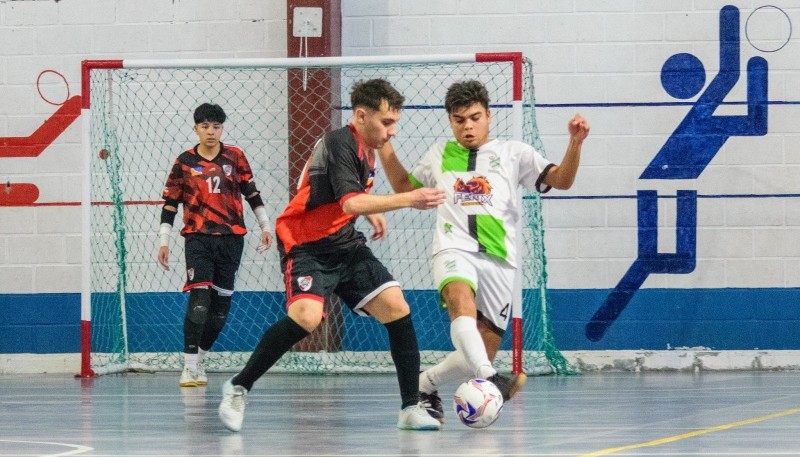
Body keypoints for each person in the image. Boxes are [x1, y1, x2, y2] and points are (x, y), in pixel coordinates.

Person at [217, 79, 447, 432]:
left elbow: (347, 195)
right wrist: (408, 199)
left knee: (397, 306)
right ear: (360, 115)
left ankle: (410, 407)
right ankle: (239, 386)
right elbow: (350, 200)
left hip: (345, 244)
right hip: (306, 244)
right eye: (387, 122)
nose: (393, 131)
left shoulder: (370, 146)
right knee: (307, 318)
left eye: (395, 123)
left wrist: (370, 211)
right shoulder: (340, 142)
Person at [377, 80, 590, 422]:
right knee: (461, 302)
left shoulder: (514, 153)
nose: (468, 126)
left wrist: (575, 144)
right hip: (453, 247)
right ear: (450, 120)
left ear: (489, 116)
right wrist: (384, 147)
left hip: (500, 260)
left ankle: (426, 383)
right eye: (459, 120)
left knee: (475, 351)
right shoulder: (438, 154)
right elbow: (404, 187)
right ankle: (491, 378)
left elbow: (561, 180)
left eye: (475, 117)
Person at [158, 103, 273, 388]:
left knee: (220, 311)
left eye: (216, 126)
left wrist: (265, 226)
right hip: (198, 239)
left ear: (222, 128)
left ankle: (200, 359)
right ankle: (188, 368)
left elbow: (252, 193)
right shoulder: (184, 161)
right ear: (195, 128)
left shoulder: (235, 157)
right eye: (205, 126)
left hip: (232, 240)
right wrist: (164, 241)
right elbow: (170, 204)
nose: (211, 131)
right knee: (199, 303)